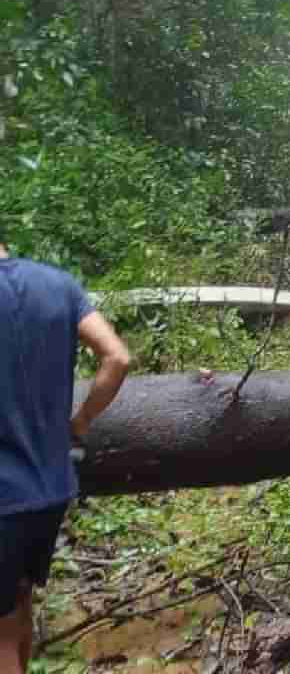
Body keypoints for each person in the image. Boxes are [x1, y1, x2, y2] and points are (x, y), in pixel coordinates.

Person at [1, 235, 131, 674]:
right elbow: (116, 358)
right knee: (18, 603)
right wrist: (80, 422)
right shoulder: (58, 284)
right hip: (52, 488)